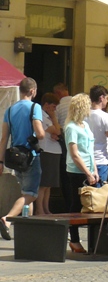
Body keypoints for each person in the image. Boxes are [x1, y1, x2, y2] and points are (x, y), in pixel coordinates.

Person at [0, 77, 45, 239]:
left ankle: (28, 228)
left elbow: (4, 138)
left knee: (25, 193)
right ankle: (7, 219)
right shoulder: (35, 107)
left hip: (15, 158)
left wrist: (0, 161)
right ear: (32, 91)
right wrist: (39, 135)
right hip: (30, 156)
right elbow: (40, 133)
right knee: (31, 194)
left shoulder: (10, 110)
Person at [64, 93, 98, 254]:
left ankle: (92, 239)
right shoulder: (71, 127)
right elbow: (74, 154)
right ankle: (75, 240)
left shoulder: (85, 125)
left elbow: (90, 150)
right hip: (77, 171)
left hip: (89, 169)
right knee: (76, 206)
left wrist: (94, 170)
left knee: (92, 204)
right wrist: (87, 172)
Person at [35, 92, 63, 215]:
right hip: (46, 150)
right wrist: (54, 119)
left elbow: (58, 131)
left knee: (49, 184)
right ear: (46, 105)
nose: (54, 110)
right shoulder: (42, 115)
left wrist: (56, 129)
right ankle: (39, 209)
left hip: (53, 151)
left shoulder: (49, 116)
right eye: (53, 107)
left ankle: (46, 208)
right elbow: (56, 130)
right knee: (43, 183)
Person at [88, 85, 108, 185]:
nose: (107, 101)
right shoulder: (106, 117)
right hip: (100, 160)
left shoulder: (83, 115)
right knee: (99, 197)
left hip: (84, 161)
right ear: (101, 98)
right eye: (106, 98)